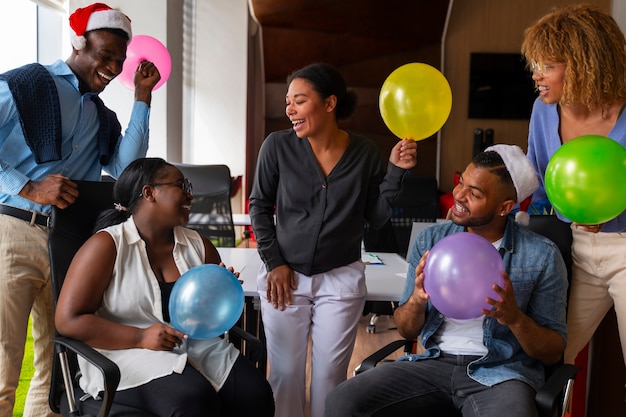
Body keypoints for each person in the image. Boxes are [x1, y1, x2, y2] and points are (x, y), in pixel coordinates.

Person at [0, 3, 163, 416]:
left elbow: (126, 168)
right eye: (104, 55)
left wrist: (142, 98)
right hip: (14, 232)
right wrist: (29, 186)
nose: (111, 67)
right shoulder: (26, 83)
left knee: (57, 369)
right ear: (79, 43)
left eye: (118, 61)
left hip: (69, 241)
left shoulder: (99, 113)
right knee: (3, 365)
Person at [324, 145, 569, 417]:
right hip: (432, 365)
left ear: (505, 207)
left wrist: (514, 317)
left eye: (474, 193)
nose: (459, 196)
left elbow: (552, 352)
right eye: (461, 183)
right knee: (342, 402)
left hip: (501, 374)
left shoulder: (542, 255)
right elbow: (406, 330)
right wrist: (417, 300)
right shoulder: (432, 241)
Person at [248, 62, 417, 417]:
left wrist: (396, 172)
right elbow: (259, 207)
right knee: (285, 374)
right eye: (288, 102)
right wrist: (274, 262)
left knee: (329, 378)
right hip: (284, 278)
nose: (289, 110)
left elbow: (375, 217)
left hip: (340, 278)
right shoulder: (276, 147)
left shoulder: (365, 152)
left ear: (329, 104)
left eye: (300, 100)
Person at [54, 157, 275, 416]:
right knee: (192, 400)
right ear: (149, 192)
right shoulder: (106, 246)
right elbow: (68, 320)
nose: (190, 194)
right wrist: (141, 336)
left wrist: (217, 293)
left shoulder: (198, 245)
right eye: (182, 185)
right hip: (124, 353)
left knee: (256, 394)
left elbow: (208, 319)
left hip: (193, 347)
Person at [521, 3, 626, 365]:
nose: (537, 74)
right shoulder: (543, 110)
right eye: (536, 64)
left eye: (548, 65)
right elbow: (537, 184)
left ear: (584, 63)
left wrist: (609, 207)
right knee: (547, 357)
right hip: (574, 249)